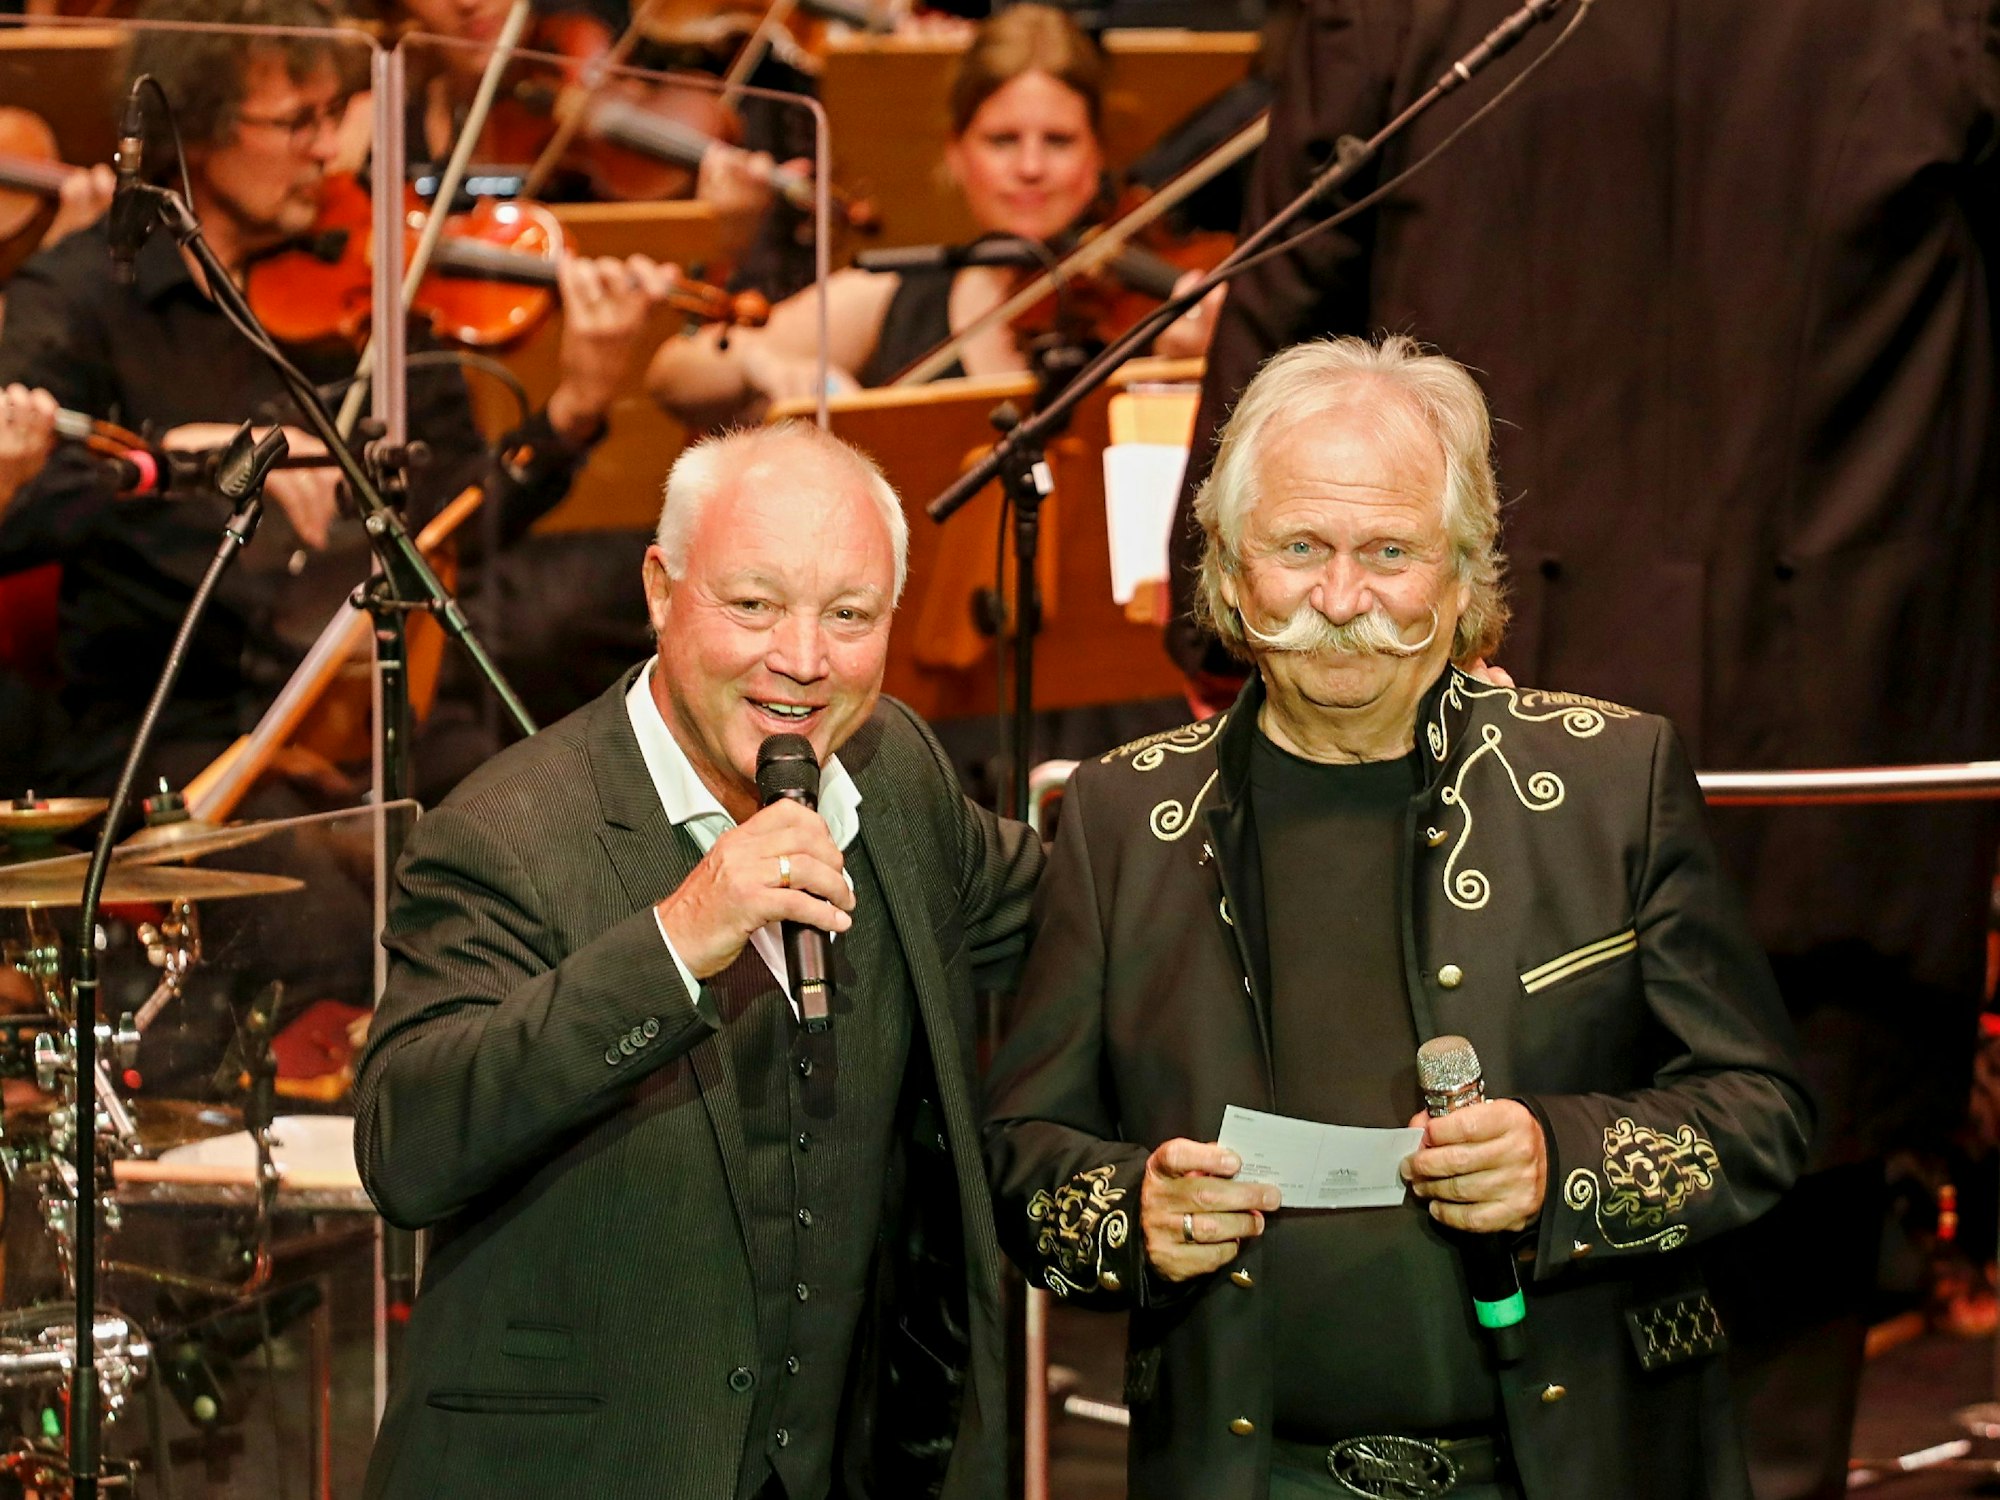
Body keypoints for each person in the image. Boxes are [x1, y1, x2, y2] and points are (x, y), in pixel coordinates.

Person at [1162, 6, 2000, 1493]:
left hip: (1505, 749)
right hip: (1843, 717)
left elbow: (1291, 293)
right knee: (1774, 1334)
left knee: (1458, 1306)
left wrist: (1219, 612)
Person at [984, 336, 1813, 1500]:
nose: (1338, 600)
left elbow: (1762, 1112)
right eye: (1298, 549)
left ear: (1462, 573)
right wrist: (1130, 1211)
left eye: (1387, 553)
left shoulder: (1610, 778)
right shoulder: (1127, 811)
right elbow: (1021, 1159)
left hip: (1578, 1467)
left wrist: (1559, 1163)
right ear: (1225, 568)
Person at [353, 420, 1044, 1499]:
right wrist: (674, 940)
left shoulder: (894, 772)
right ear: (660, 590)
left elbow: (1076, 915)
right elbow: (407, 1145)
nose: (803, 662)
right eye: (754, 605)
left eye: (848, 615)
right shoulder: (507, 830)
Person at [0, 0, 678, 795]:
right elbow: (20, 506)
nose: (330, 149)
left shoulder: (367, 275)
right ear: (201, 132)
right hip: (184, 730)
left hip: (379, 712)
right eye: (297, 123)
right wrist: (176, 460)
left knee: (544, 839)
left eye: (332, 114)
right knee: (316, 903)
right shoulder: (85, 295)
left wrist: (573, 412)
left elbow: (455, 518)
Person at [646, 2, 1218, 427]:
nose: (1030, 167)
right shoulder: (894, 295)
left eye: (1060, 141)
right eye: (1001, 140)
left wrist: (1189, 376)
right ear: (957, 154)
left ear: (1099, 153)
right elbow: (674, 375)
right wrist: (760, 365)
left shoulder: (1153, 318)